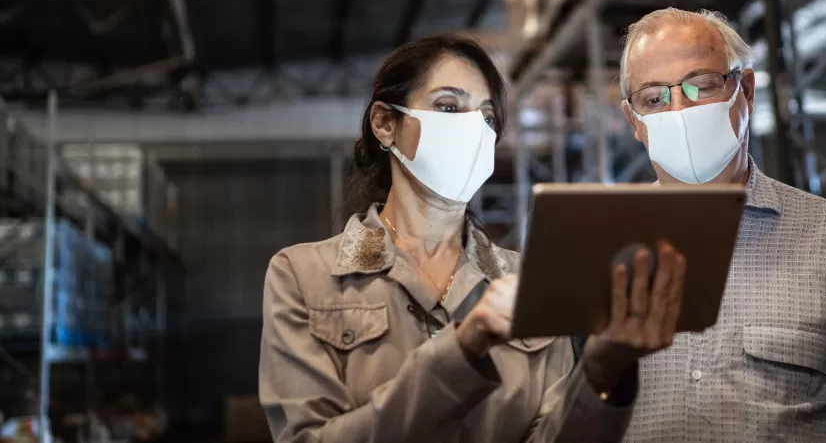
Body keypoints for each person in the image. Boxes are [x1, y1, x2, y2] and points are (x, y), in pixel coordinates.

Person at [259, 34, 687, 443]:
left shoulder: (529, 282)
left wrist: (603, 369)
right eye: (448, 107)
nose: (474, 130)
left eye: (487, 117)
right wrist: (461, 349)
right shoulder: (303, 276)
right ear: (385, 123)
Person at [616, 8, 826, 442]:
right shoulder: (595, 249)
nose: (679, 110)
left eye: (701, 86)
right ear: (634, 121)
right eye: (654, 99)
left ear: (745, 91)